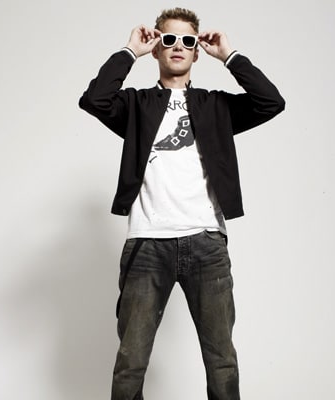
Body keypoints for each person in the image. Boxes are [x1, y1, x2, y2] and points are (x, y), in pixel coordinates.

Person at [79, 7, 285, 400]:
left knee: (222, 361)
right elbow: (95, 99)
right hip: (147, 244)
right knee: (131, 362)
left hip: (206, 244)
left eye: (187, 40)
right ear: (157, 48)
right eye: (169, 39)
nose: (178, 46)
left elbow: (270, 102)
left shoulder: (216, 106)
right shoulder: (137, 106)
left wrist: (229, 56)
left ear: (195, 51)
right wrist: (129, 51)